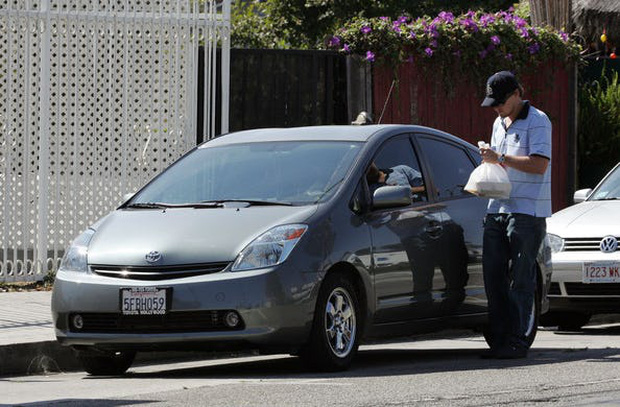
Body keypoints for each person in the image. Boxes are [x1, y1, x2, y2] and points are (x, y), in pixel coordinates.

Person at [478, 71, 552, 359]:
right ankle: (499, 340)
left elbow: (539, 165)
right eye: (493, 103)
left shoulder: (539, 120)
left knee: (520, 278)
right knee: (493, 276)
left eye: (500, 102)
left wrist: (501, 158)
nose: (496, 108)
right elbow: (500, 163)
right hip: (497, 207)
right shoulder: (498, 122)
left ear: (517, 93)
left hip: (527, 210)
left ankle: (517, 341)